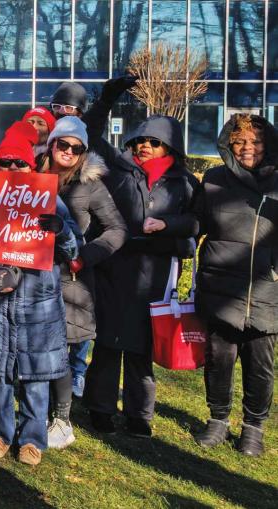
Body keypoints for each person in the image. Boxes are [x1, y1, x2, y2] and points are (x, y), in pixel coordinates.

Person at [82, 75, 201, 438]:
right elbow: (90, 135)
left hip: (156, 273)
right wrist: (107, 98)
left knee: (142, 348)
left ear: (170, 147)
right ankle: (100, 409)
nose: (145, 146)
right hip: (115, 269)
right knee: (107, 343)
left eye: (154, 142)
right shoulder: (118, 169)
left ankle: (139, 415)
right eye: (140, 140)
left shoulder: (185, 183)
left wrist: (167, 225)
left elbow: (197, 222)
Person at [0, 121, 78, 466]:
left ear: (31, 165)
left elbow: (75, 250)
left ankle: (32, 437)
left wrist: (61, 231)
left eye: (19, 163)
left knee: (36, 375)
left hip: (38, 303)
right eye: (5, 163)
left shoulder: (51, 200)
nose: (13, 168)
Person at [35, 116, 127, 449]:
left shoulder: (91, 186)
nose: (69, 152)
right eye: (63, 144)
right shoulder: (28, 176)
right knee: (33, 348)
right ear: (51, 144)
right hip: (29, 274)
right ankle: (34, 415)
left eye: (77, 148)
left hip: (68, 277)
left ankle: (62, 420)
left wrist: (85, 256)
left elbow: (117, 230)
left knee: (59, 350)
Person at [194, 113, 278, 457]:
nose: (248, 148)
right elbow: (195, 222)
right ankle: (218, 420)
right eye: (239, 141)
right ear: (229, 145)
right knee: (219, 358)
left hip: (266, 288)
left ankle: (254, 428)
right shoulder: (214, 180)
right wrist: (165, 228)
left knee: (260, 364)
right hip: (221, 286)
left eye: (255, 142)